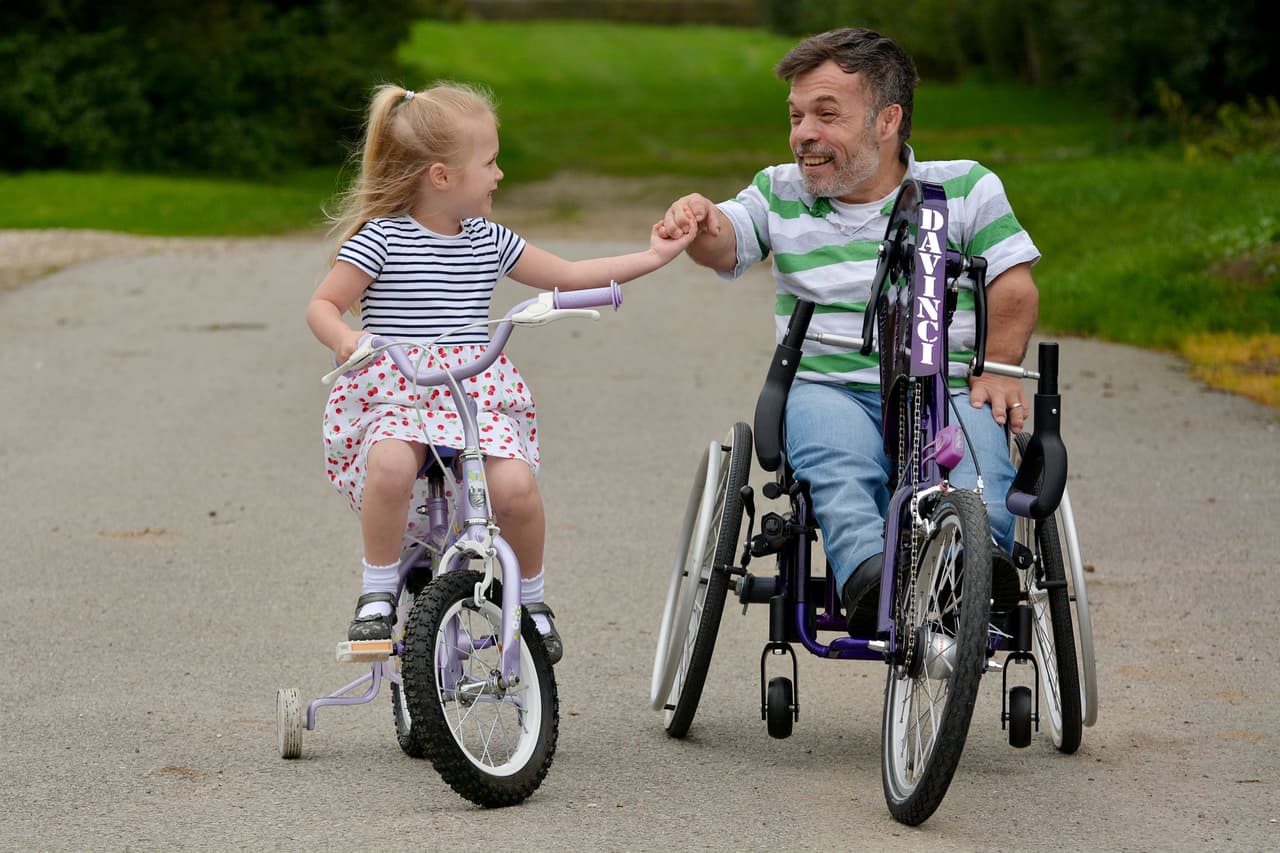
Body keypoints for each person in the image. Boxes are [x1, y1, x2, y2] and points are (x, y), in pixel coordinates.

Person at [657, 28, 1039, 635]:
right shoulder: (779, 193)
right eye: (796, 116)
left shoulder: (964, 188)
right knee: (838, 466)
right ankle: (867, 574)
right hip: (830, 386)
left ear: (888, 120)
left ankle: (975, 571)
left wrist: (996, 365)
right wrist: (700, 218)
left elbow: (1013, 287)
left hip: (944, 383)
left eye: (827, 115)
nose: (804, 133)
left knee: (980, 465)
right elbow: (724, 240)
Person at [307, 82, 695, 661]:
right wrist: (345, 338)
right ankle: (378, 592)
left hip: (473, 392)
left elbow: (570, 273)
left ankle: (532, 600)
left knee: (515, 488)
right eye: (488, 162)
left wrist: (654, 256)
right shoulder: (381, 239)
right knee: (389, 463)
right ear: (442, 176)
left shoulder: (489, 240)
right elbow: (323, 305)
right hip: (398, 389)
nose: (500, 174)